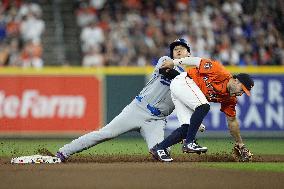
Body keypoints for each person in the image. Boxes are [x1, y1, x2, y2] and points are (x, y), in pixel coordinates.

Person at [55, 39, 205, 162]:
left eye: (182, 48)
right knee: (105, 133)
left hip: (157, 120)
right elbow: (170, 73)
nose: (178, 50)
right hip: (138, 109)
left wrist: (196, 121)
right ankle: (63, 152)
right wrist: (188, 81)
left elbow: (187, 104)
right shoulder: (165, 61)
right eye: (175, 48)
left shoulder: (190, 79)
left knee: (162, 151)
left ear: (189, 53)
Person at [150, 39, 254, 162]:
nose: (241, 93)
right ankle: (189, 143)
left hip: (182, 90)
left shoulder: (230, 98)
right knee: (204, 106)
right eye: (242, 89)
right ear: (236, 80)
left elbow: (232, 121)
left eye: (244, 92)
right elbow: (196, 61)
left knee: (187, 128)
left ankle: (159, 148)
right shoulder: (220, 72)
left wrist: (240, 143)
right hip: (183, 81)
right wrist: (174, 62)